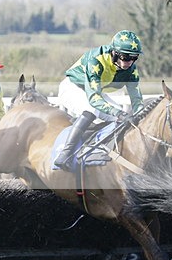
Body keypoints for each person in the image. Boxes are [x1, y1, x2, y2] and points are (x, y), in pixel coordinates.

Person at [54, 30, 143, 171]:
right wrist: (119, 113)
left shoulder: (131, 69)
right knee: (93, 110)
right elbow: (94, 99)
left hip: (93, 91)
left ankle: (98, 148)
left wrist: (141, 115)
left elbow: (136, 98)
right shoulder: (96, 59)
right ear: (114, 52)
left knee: (119, 118)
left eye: (134, 57)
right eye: (125, 57)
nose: (129, 62)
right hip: (72, 87)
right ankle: (66, 153)